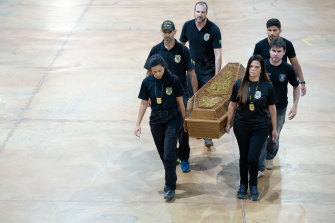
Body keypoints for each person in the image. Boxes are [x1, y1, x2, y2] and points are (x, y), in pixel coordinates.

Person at [144, 20, 198, 173]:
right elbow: (148, 73)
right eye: (164, 32)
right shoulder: (156, 50)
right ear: (161, 32)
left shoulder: (183, 50)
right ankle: (172, 155)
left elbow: (192, 74)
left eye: (169, 31)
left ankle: (184, 157)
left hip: (181, 94)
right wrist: (148, 95)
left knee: (183, 127)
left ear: (175, 31)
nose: (167, 34)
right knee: (166, 127)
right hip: (162, 96)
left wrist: (195, 95)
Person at [225, 55, 278, 201]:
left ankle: (253, 184)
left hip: (259, 126)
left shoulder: (267, 86)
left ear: (262, 70)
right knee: (244, 156)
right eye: (251, 66)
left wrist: (274, 128)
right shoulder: (239, 84)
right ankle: (243, 185)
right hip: (241, 125)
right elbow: (232, 105)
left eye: (256, 67)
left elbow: (272, 108)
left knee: (253, 157)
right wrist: (228, 122)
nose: (253, 70)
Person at [180, 1, 222, 147]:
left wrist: (217, 76)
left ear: (206, 13)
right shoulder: (187, 26)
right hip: (192, 69)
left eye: (202, 12)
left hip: (208, 69)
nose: (200, 15)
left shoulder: (213, 29)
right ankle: (196, 128)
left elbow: (218, 54)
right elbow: (181, 47)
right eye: (197, 12)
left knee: (207, 102)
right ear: (194, 12)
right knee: (192, 98)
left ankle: (208, 135)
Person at [258, 37, 300, 177]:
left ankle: (270, 156)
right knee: (261, 136)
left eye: (279, 51)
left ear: (284, 53)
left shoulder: (288, 69)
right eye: (273, 51)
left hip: (280, 108)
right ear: (269, 51)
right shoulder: (262, 66)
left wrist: (295, 105)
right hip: (263, 108)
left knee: (274, 137)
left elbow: (296, 86)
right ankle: (260, 166)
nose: (275, 54)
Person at [253, 18, 307, 97]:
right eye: (269, 30)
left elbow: (295, 64)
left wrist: (302, 82)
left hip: (281, 83)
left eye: (275, 30)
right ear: (266, 30)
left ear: (280, 31)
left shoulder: (287, 44)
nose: (272, 33)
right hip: (264, 85)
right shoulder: (259, 46)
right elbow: (253, 65)